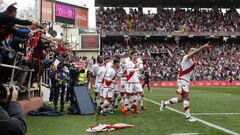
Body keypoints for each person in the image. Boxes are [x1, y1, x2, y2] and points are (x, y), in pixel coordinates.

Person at [160, 42, 210, 122]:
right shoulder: (186, 57)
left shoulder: (193, 61)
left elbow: (191, 70)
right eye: (192, 50)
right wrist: (203, 47)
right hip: (182, 79)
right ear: (189, 52)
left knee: (180, 99)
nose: (194, 51)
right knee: (187, 96)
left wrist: (193, 78)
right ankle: (188, 117)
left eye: (194, 50)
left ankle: (164, 103)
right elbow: (195, 53)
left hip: (186, 80)